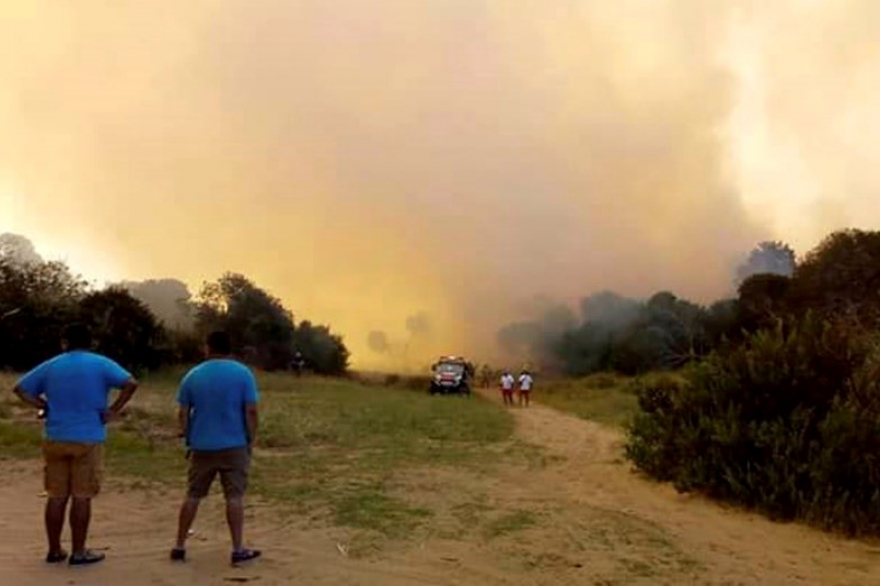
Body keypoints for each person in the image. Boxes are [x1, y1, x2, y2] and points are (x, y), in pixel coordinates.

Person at [12, 323, 138, 566]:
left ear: (64, 342)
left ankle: (54, 549)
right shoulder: (100, 363)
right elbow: (131, 383)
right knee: (82, 496)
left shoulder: (52, 365)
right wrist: (113, 410)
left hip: (56, 436)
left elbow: (20, 389)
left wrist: (42, 405)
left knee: (56, 495)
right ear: (90, 342)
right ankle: (79, 551)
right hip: (89, 437)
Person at [171, 331, 261, 565]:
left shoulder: (193, 375)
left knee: (193, 495)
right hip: (234, 444)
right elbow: (250, 411)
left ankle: (179, 545)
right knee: (234, 497)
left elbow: (183, 413)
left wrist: (189, 438)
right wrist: (250, 440)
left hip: (202, 445)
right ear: (229, 348)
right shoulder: (243, 374)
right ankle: (237, 548)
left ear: (207, 347)